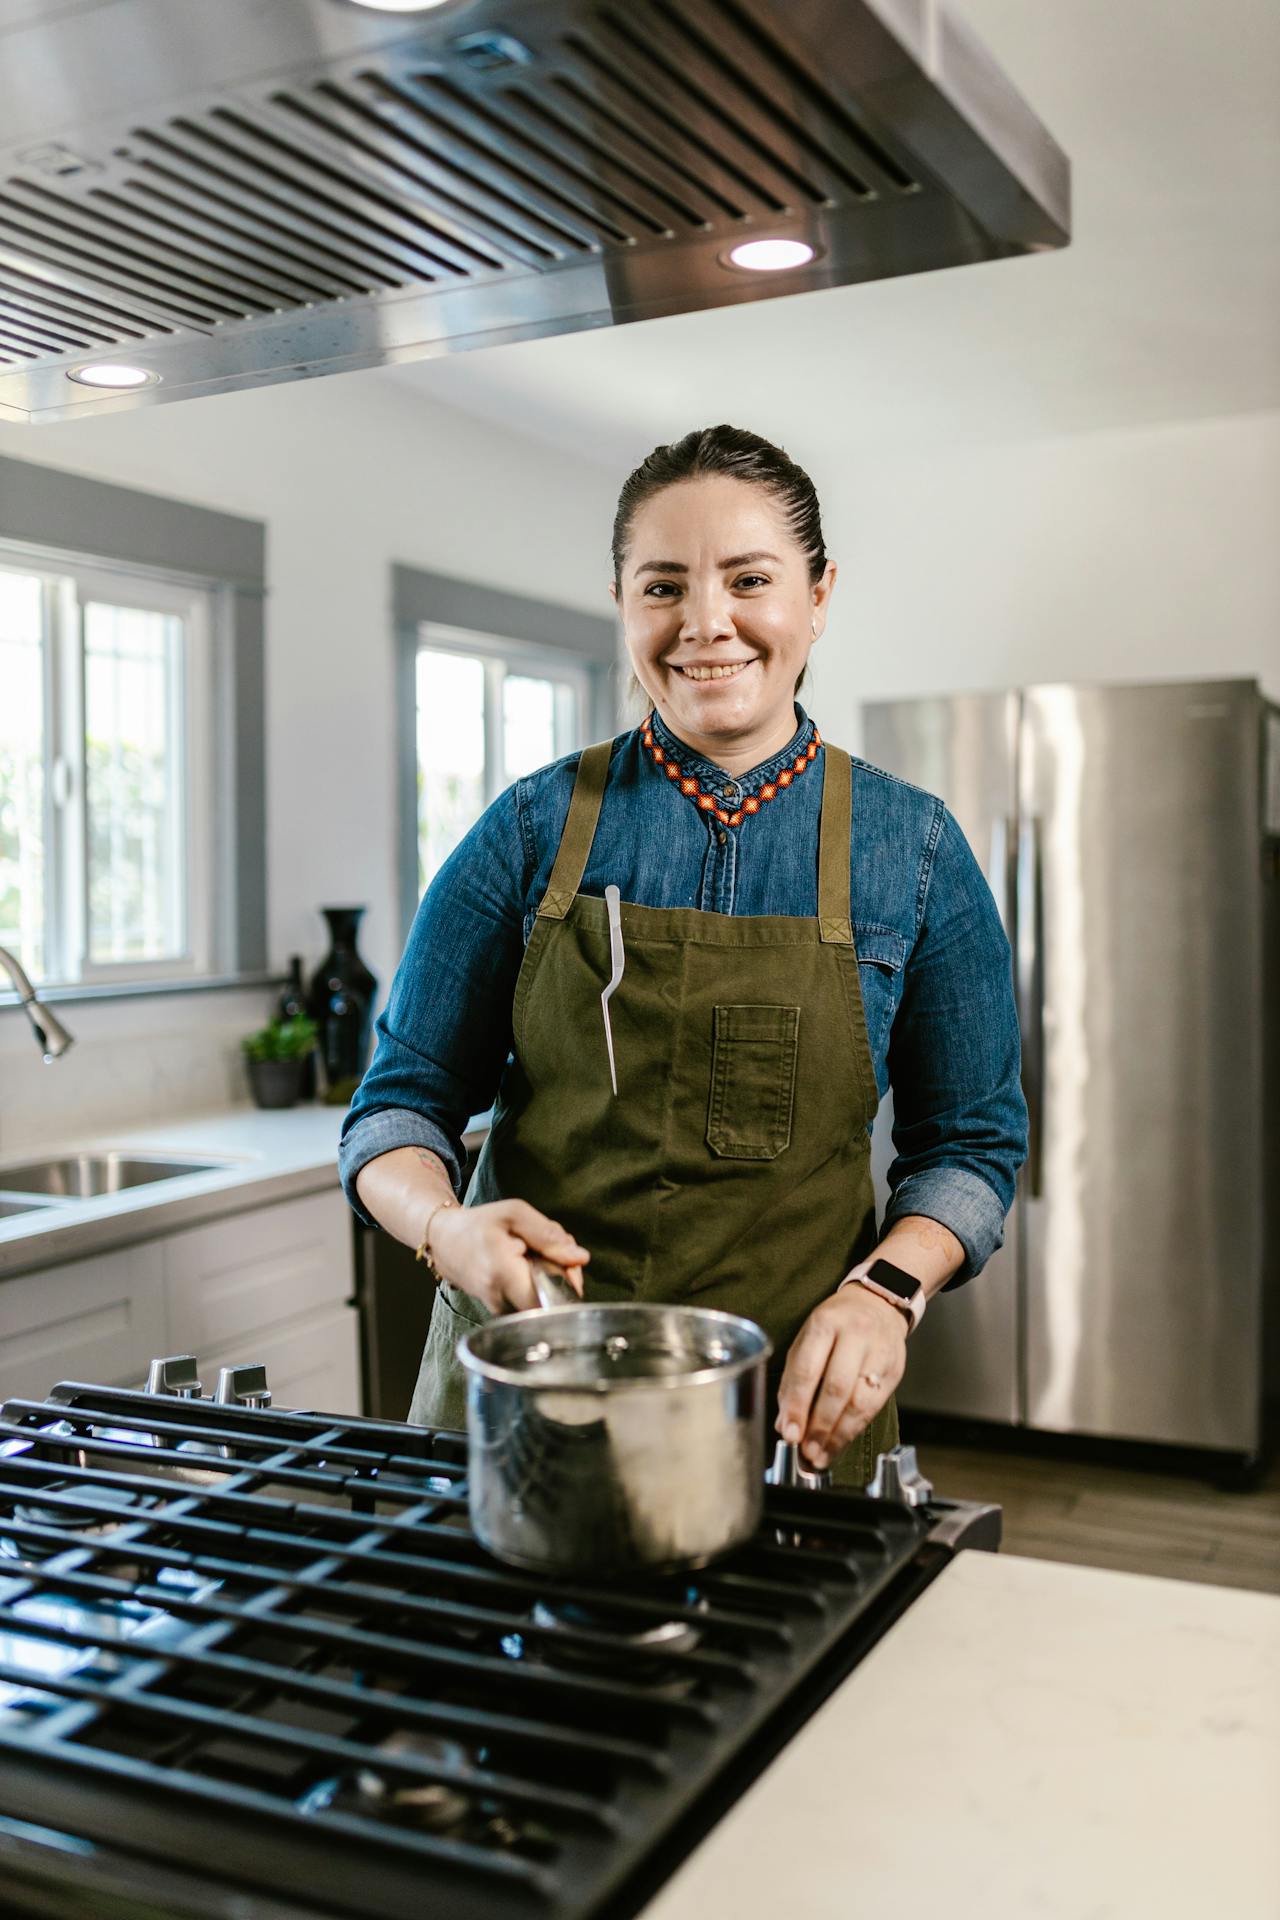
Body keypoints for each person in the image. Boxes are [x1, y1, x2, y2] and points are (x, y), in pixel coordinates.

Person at [340, 424, 1027, 1484]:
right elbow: (393, 1110)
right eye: (662, 587)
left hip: (785, 1416)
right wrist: (445, 1229)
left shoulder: (914, 850)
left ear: (817, 594)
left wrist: (886, 1290)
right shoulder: (529, 830)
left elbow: (971, 1148)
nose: (705, 624)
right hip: (525, 1404)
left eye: (747, 579)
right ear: (621, 601)